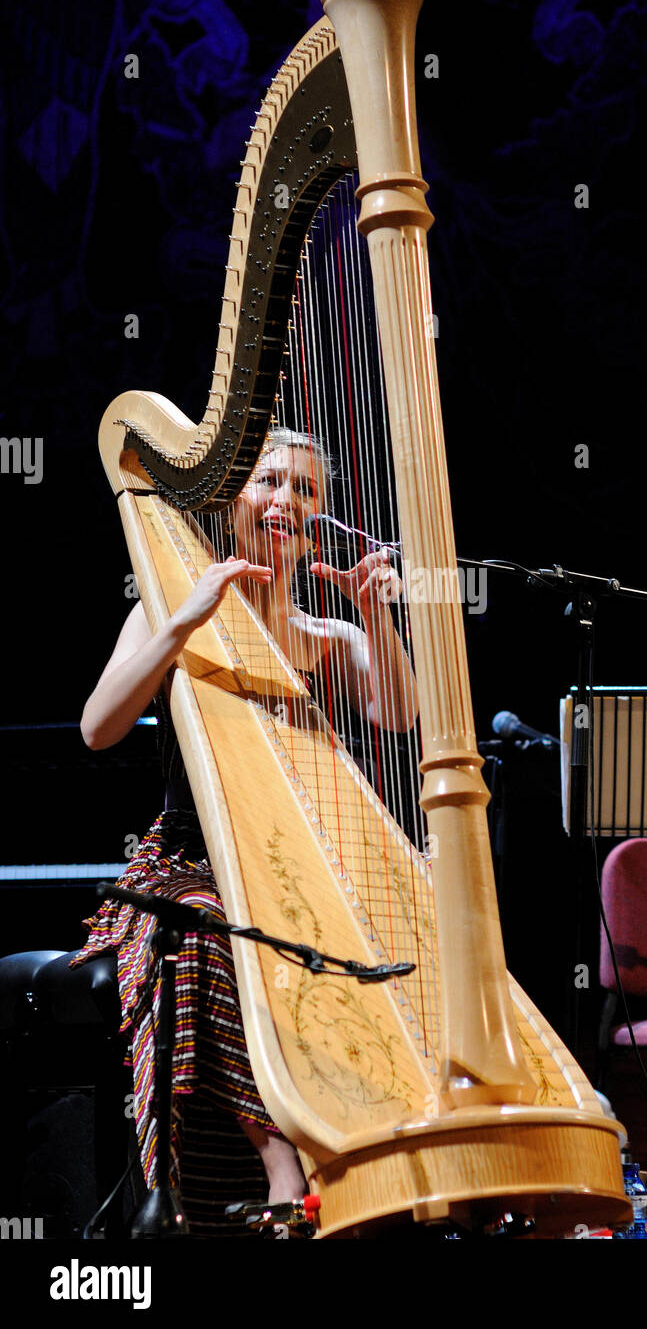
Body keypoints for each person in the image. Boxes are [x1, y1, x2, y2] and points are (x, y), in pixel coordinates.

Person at [75, 428, 417, 1231]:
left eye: (305, 491)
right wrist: (185, 619)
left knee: (376, 929)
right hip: (183, 871)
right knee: (211, 929)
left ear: (318, 520)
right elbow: (96, 727)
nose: (286, 501)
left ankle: (386, 1161)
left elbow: (399, 717)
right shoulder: (168, 607)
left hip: (295, 874)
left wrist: (376, 614)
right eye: (269, 481)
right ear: (232, 501)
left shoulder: (329, 639)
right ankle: (283, 1169)